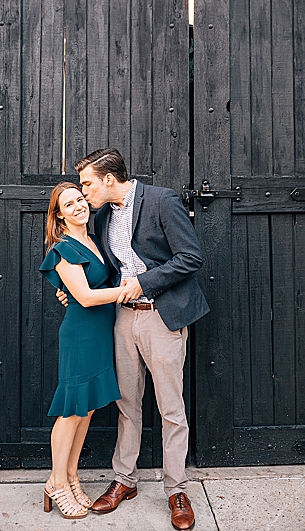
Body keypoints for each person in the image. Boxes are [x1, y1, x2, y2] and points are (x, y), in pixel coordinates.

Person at [76, 148, 207, 530]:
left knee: (170, 408)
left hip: (161, 317)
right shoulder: (101, 215)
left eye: (87, 184)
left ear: (108, 180)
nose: (84, 192)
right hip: (122, 319)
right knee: (127, 405)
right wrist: (73, 288)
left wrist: (143, 283)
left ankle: (176, 489)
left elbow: (190, 256)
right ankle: (124, 481)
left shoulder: (162, 200)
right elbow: (104, 265)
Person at [38, 180, 134, 519]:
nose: (79, 206)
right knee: (72, 410)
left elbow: (90, 286)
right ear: (59, 216)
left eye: (80, 199)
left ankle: (71, 476)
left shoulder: (92, 240)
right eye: (69, 204)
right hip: (80, 335)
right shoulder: (62, 248)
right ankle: (55, 482)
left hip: (100, 334)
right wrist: (129, 288)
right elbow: (86, 297)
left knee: (88, 409)